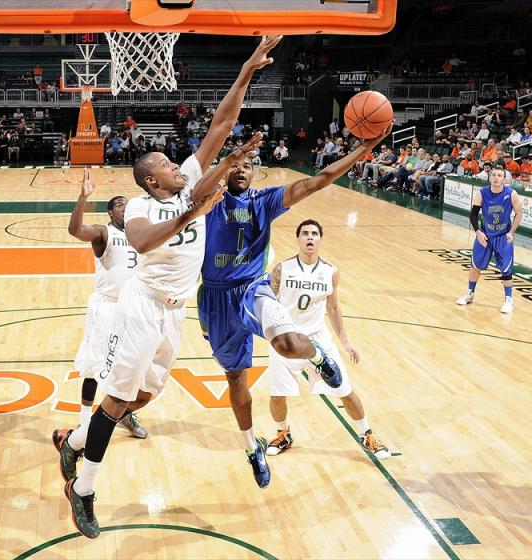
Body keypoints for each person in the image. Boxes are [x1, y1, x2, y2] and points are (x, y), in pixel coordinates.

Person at [53, 35, 283, 539]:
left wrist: (246, 69)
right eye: (165, 165)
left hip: (175, 312)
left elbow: (221, 123)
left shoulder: (191, 181)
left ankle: (72, 442)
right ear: (151, 181)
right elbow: (144, 240)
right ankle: (84, 490)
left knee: (144, 398)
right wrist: (191, 212)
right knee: (115, 401)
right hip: (141, 306)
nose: (178, 166)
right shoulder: (141, 208)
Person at [198, 121, 390, 488]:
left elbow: (317, 180)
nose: (241, 170)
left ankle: (319, 355)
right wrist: (226, 161)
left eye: (247, 165)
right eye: (234, 165)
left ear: (255, 173)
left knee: (287, 344)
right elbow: (195, 188)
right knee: (236, 380)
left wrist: (363, 150)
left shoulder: (264, 201)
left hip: (251, 287)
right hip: (214, 297)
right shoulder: (209, 199)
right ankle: (250, 447)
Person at [266, 220, 390, 458]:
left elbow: (333, 308)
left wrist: (344, 341)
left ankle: (367, 434)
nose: (309, 238)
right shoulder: (283, 268)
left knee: (344, 389)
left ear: (320, 239)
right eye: (305, 234)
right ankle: (283, 433)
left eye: (314, 234)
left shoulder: (330, 271)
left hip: (317, 341)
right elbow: (269, 301)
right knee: (277, 393)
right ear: (298, 239)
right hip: (286, 339)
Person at [56, 169, 147, 444]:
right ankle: (84, 424)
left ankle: (126, 413)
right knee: (94, 367)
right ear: (110, 213)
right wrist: (83, 197)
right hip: (107, 308)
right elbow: (75, 230)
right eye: (120, 204)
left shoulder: (142, 234)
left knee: (134, 366)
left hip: (135, 308)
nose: (125, 207)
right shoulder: (103, 232)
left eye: (128, 204)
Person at [456, 168, 522, 313]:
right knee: (475, 264)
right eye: (494, 175)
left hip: (503, 236)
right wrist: (478, 232)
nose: (496, 178)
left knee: (506, 269)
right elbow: (473, 214)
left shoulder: (511, 194)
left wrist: (512, 232)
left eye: (499, 175)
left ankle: (509, 301)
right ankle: (470, 294)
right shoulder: (482, 192)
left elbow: (519, 213)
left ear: (504, 179)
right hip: (485, 235)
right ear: (489, 177)